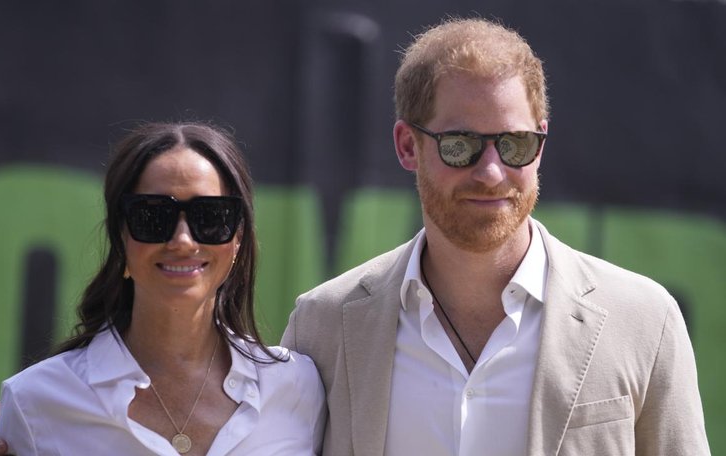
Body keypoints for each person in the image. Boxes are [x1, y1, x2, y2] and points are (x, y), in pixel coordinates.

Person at [280, 17, 710, 456]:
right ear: (408, 145)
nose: (490, 172)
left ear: (540, 145)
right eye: (460, 144)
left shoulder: (644, 320)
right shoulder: (322, 326)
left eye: (514, 144)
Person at [0, 122, 325, 455]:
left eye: (210, 216)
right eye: (153, 216)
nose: (183, 241)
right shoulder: (36, 402)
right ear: (121, 236)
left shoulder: (297, 387)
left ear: (237, 239)